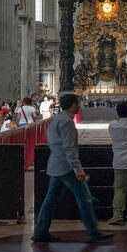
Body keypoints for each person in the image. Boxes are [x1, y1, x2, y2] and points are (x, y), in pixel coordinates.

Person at [32, 93, 112, 244]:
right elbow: (69, 148)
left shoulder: (57, 119)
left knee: (51, 200)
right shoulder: (67, 123)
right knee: (85, 198)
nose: (80, 105)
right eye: (79, 103)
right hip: (67, 167)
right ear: (74, 105)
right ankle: (93, 231)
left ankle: (40, 231)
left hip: (57, 165)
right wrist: (78, 169)